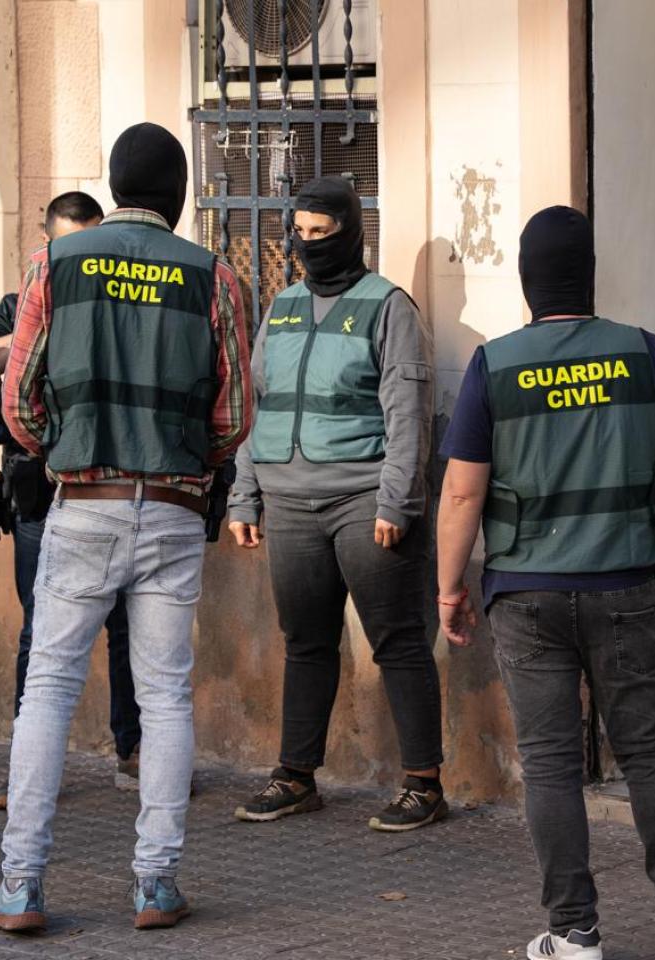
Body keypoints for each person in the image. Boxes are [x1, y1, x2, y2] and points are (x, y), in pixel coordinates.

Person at [438, 206, 655, 960]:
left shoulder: (494, 365)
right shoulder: (644, 354)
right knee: (649, 752)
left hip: (525, 593)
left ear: (526, 280)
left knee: (550, 763)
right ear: (590, 275)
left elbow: (461, 493)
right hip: (623, 584)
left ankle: (573, 933)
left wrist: (449, 587)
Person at [0, 122, 252, 933]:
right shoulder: (214, 276)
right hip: (173, 508)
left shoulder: (54, 264)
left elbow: (18, 400)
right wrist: (185, 463)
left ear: (115, 185)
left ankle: (21, 885)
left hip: (83, 502)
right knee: (164, 697)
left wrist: (61, 448)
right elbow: (235, 416)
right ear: (181, 194)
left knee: (49, 689)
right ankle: (155, 884)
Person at [227, 176, 445, 830]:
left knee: (397, 639)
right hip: (288, 503)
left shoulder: (389, 307)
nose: (308, 244)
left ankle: (424, 783)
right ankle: (296, 775)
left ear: (351, 233)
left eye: (321, 232)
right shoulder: (284, 305)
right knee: (305, 641)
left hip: (363, 499)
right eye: (299, 232)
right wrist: (245, 494)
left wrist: (397, 501)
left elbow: (408, 413)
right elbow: (260, 405)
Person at [0, 192, 145, 811]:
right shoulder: (21, 302)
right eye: (70, 246)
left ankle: (133, 753)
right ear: (46, 244)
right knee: (39, 630)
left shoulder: (122, 302)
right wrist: (40, 328)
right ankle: (29, 768)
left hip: (105, 484)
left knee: (126, 625)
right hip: (37, 494)